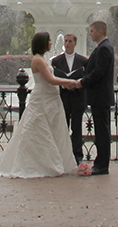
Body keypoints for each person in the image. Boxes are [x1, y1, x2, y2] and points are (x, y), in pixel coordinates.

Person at [0, 32, 80, 179]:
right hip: (42, 99)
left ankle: (55, 161)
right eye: (49, 40)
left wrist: (65, 85)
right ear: (43, 43)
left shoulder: (43, 59)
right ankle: (42, 164)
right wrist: (69, 82)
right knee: (38, 130)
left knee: (53, 131)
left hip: (51, 99)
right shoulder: (38, 60)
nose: (52, 43)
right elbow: (50, 79)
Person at [73, 19, 115, 175]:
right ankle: (100, 163)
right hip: (100, 97)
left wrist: (82, 83)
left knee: (102, 132)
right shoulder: (104, 47)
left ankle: (102, 165)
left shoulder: (104, 48)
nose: (90, 34)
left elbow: (99, 72)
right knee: (101, 131)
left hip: (101, 97)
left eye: (91, 31)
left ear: (99, 31)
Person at [51, 32, 88, 163]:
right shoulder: (56, 61)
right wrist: (64, 85)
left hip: (78, 97)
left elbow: (87, 78)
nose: (67, 44)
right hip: (64, 97)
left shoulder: (83, 61)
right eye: (65, 41)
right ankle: (62, 154)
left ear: (75, 43)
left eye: (70, 41)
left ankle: (77, 155)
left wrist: (76, 84)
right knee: (63, 126)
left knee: (77, 127)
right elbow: (53, 78)